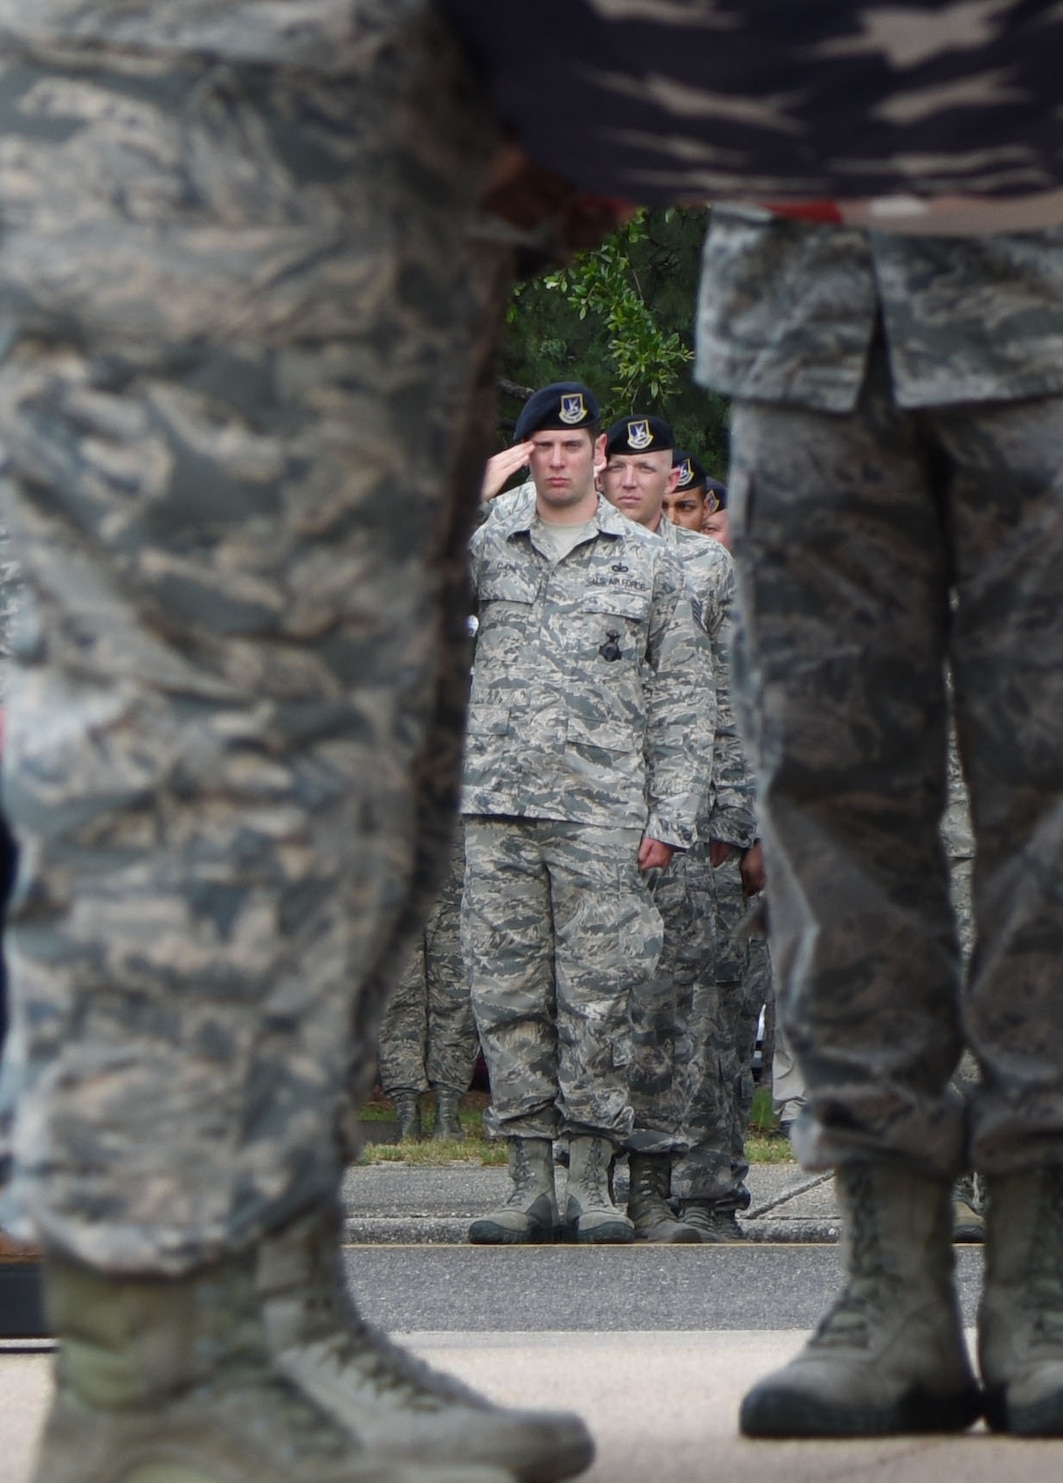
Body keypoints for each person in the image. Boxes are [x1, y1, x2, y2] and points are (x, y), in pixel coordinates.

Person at [0, 10, 594, 1480]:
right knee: (203, 745)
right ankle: (154, 1362)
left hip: (372, 135)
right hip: (195, 112)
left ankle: (272, 1312)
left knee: (352, 758)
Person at [702, 205, 1063, 1439]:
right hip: (806, 315)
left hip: (1054, 302)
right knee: (827, 782)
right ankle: (885, 1280)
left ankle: (1043, 1282)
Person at [460, 383, 715, 1247]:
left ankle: (592, 1180)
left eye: (573, 446)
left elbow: (685, 699)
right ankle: (528, 1180)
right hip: (499, 808)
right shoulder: (489, 546)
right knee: (509, 999)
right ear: (526, 452)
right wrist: (478, 488)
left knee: (601, 1001)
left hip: (605, 818)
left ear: (596, 454)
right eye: (543, 446)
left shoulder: (646, 564)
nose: (558, 460)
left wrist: (671, 816)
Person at [599, 412, 760, 1243]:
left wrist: (740, 815)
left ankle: (693, 1187)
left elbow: (737, 699)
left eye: (647, 466)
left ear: (676, 483)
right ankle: (593, 1182)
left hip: (695, 823)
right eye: (617, 464)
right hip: (596, 816)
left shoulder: (706, 568)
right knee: (598, 1004)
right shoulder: (576, 558)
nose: (631, 479)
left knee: (697, 1009)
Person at [377, 828, 478, 1142]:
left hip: (454, 862)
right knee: (396, 993)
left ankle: (447, 1110)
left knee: (455, 991)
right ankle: (406, 1110)